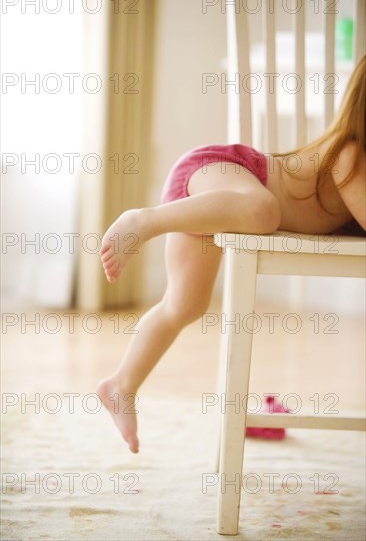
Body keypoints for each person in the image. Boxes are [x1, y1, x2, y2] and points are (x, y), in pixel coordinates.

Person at [97, 55, 365, 454]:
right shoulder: (351, 154)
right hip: (220, 171)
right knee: (263, 211)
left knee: (184, 305)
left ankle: (120, 384)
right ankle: (145, 221)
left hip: (215, 206)